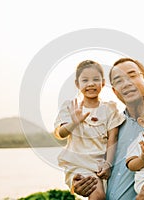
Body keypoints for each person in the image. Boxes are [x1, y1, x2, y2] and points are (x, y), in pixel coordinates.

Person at [72, 58, 144, 200]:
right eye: (118, 80)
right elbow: (92, 161)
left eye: (132, 75)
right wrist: (80, 184)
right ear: (115, 92)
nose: (127, 83)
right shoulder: (111, 127)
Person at [54, 60, 125, 200]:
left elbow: (113, 138)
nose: (91, 84)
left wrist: (108, 164)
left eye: (96, 79)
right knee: (97, 195)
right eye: (85, 80)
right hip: (78, 164)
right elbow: (60, 133)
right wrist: (74, 122)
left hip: (101, 165)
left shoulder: (109, 109)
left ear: (103, 83)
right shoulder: (70, 106)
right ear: (77, 84)